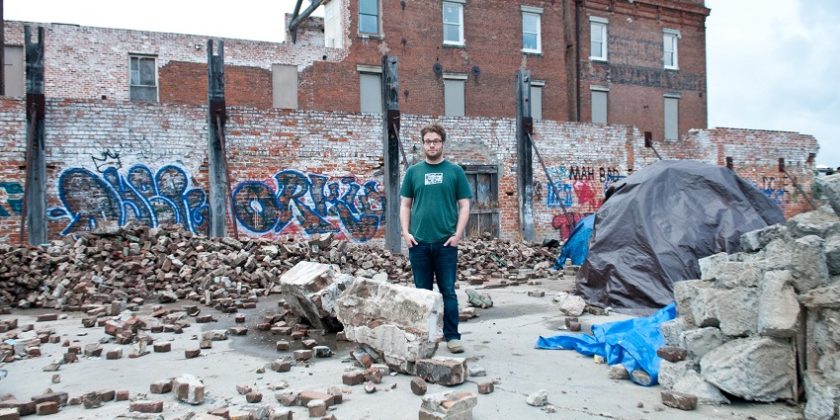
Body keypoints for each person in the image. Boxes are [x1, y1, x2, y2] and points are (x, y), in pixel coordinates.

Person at [399, 123, 472, 354]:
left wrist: (458, 234)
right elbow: (405, 204)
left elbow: (464, 205)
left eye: (436, 141)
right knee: (422, 293)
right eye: (428, 141)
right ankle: (426, 335)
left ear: (442, 143)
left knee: (448, 291)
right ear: (423, 144)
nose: (432, 145)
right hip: (418, 243)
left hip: (445, 243)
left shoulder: (454, 172)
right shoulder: (413, 172)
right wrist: (406, 233)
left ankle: (452, 336)